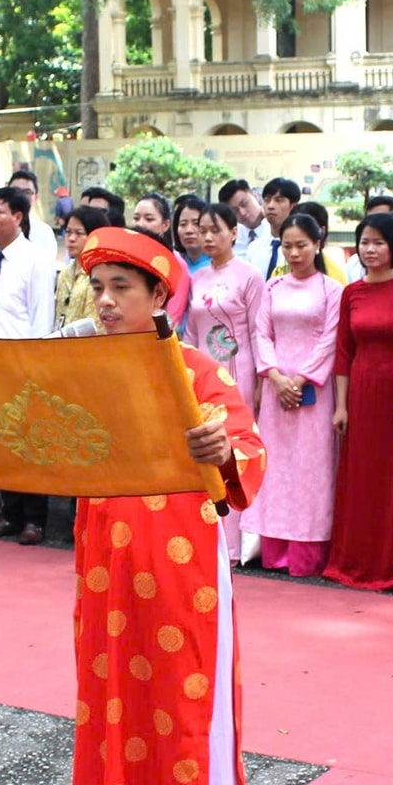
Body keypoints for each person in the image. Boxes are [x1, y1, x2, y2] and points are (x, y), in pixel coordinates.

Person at [0, 226, 266, 785]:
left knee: (193, 718)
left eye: (121, 288)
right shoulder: (78, 374)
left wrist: (221, 445)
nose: (103, 302)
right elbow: (12, 428)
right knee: (112, 710)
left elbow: (246, 460)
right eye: (97, 288)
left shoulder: (197, 371)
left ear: (160, 295)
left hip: (181, 576)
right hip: (104, 570)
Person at [325, 212, 393, 591]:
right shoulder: (351, 292)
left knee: (391, 478)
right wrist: (341, 405)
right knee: (360, 478)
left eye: (379, 242)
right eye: (365, 242)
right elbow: (343, 352)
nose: (370, 249)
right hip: (362, 394)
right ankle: (355, 560)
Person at [245, 213, 343, 576]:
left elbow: (330, 340)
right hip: (275, 388)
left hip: (313, 390)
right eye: (288, 246)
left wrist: (300, 380)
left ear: (318, 244)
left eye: (302, 245)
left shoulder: (332, 290)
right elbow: (262, 334)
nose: (295, 253)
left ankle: (307, 551)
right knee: (278, 466)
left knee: (311, 468)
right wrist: (274, 376)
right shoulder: (273, 288)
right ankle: (274, 548)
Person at [0, 185, 56, 542]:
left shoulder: (35, 259)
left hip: (23, 359)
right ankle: (9, 512)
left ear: (18, 217)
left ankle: (34, 519)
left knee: (31, 441)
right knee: (1, 439)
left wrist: (35, 362)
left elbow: (41, 315)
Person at [187, 203, 267, 562]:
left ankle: (236, 545)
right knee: (204, 450)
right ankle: (210, 535)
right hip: (202, 373)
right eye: (201, 230)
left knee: (234, 449)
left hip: (239, 369)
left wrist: (262, 377)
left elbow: (258, 330)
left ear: (234, 233)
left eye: (215, 230)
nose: (206, 237)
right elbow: (190, 333)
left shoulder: (249, 276)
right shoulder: (196, 278)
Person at [132, 192, 193, 328]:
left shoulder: (176, 264)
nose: (140, 224)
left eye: (149, 219)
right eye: (136, 218)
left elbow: (172, 318)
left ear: (165, 225)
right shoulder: (128, 259)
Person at [57, 206, 109, 330]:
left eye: (79, 233)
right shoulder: (65, 273)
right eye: (68, 232)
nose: (71, 239)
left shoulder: (100, 275)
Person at [241, 178, 302, 279]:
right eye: (267, 200)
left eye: (279, 200)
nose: (270, 206)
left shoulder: (300, 250)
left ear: (293, 206)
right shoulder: (254, 248)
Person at [217, 178, 265, 254]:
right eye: (235, 210)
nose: (242, 213)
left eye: (244, 204)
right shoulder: (231, 237)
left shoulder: (276, 229)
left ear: (255, 196)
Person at [174, 195, 210, 271]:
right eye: (183, 224)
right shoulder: (173, 264)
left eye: (196, 223)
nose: (189, 230)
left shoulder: (219, 264)